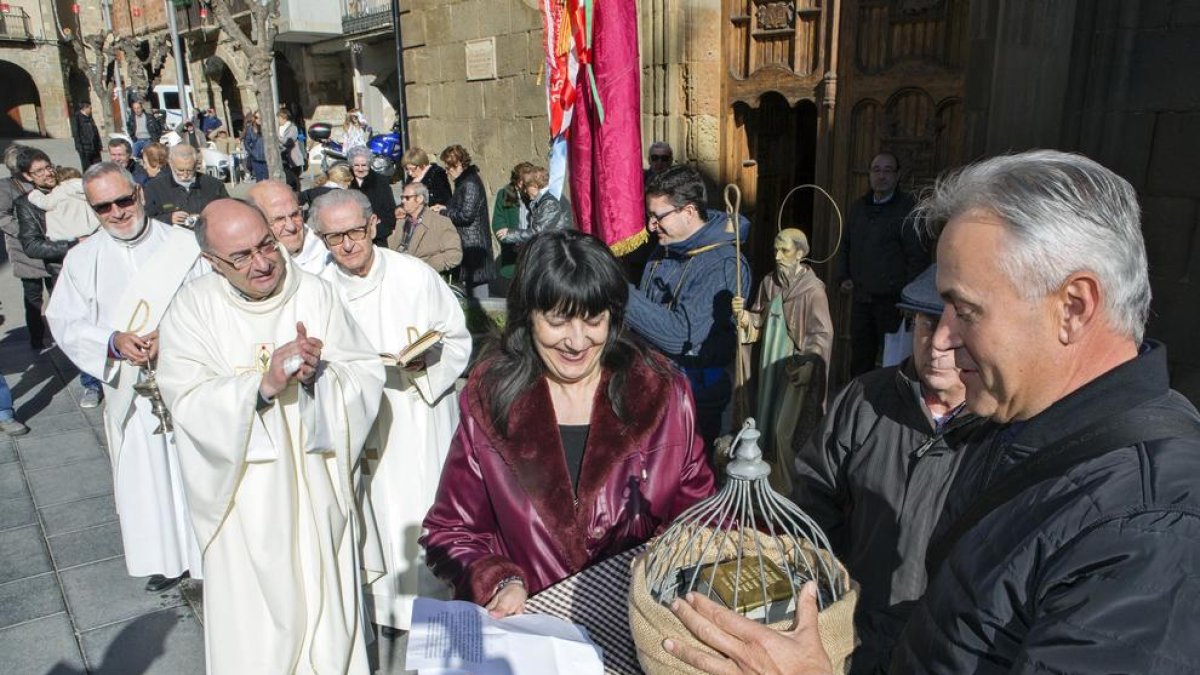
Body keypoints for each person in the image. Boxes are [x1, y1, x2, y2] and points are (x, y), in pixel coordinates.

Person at [668, 150, 1200, 674]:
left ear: (1073, 307)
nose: (940, 338)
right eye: (936, 312)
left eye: (965, 311)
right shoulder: (1018, 428)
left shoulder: (1153, 532)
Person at [422, 229, 716, 617]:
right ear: (528, 315)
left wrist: (657, 562)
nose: (577, 342)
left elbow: (701, 518)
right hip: (536, 631)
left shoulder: (664, 394)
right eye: (558, 320)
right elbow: (451, 531)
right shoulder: (489, 401)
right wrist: (498, 580)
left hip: (639, 625)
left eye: (594, 319)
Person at [155, 198, 386, 674]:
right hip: (245, 497)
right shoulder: (191, 310)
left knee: (326, 617)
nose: (262, 263)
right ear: (211, 263)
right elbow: (186, 400)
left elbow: (364, 373)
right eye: (241, 256)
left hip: (316, 486)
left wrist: (320, 376)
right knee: (258, 627)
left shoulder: (316, 294)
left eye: (267, 245)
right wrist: (260, 387)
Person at [791, 263, 995, 674]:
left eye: (953, 328)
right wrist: (831, 587)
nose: (936, 344)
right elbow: (813, 499)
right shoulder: (866, 398)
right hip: (853, 631)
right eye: (925, 323)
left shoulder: (1002, 427)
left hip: (947, 651)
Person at [313, 189, 470, 629]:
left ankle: (435, 604)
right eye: (334, 237)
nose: (348, 244)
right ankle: (381, 607)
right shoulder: (315, 288)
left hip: (415, 409)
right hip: (355, 421)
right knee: (371, 510)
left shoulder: (414, 275)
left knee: (420, 505)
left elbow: (457, 339)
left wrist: (426, 362)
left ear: (374, 226)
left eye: (356, 232)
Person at [46, 161, 205, 593]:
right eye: (103, 207)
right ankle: (167, 557)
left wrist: (169, 337)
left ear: (138, 192)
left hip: (188, 376)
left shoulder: (184, 245)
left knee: (198, 471)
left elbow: (212, 302)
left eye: (122, 200)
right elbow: (63, 319)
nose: (116, 213)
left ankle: (209, 554)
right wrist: (113, 341)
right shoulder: (82, 259)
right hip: (130, 389)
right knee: (148, 478)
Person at [626, 164, 750, 448]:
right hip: (653, 385)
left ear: (689, 211)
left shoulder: (724, 263)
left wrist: (622, 296)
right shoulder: (667, 246)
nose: (650, 226)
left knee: (688, 485)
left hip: (694, 396)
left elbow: (682, 335)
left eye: (658, 217)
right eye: (649, 216)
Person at [732, 228, 832, 493]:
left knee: (783, 432)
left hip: (793, 370)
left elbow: (822, 334)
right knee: (762, 427)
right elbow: (757, 321)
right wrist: (744, 319)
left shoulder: (813, 291)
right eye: (775, 249)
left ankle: (789, 493)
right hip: (767, 370)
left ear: (800, 254)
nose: (777, 256)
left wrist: (811, 364)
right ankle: (764, 489)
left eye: (784, 250)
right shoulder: (769, 283)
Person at [15, 150, 103, 413]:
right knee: (80, 328)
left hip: (98, 262)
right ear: (27, 176)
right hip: (62, 271)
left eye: (48, 167)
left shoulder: (72, 187)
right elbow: (31, 245)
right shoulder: (28, 203)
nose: (47, 173)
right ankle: (91, 382)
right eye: (39, 171)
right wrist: (72, 245)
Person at [837, 152, 928, 376]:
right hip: (861, 299)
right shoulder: (858, 208)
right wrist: (844, 277)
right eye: (876, 170)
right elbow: (846, 245)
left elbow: (917, 257)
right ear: (869, 175)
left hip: (893, 303)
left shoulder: (908, 210)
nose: (881, 176)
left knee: (893, 361)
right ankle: (857, 404)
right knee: (860, 357)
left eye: (888, 170)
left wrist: (910, 301)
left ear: (897, 176)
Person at [0, 145, 54, 350]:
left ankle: (61, 333)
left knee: (57, 293)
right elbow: (2, 217)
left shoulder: (43, 183)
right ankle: (37, 338)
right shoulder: (6, 187)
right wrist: (25, 231)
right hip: (25, 252)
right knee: (33, 297)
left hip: (48, 247)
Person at [432, 144, 494, 298]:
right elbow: (461, 207)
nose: (447, 172)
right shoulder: (464, 182)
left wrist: (443, 211)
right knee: (471, 293)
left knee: (479, 296)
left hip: (474, 245)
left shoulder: (470, 183)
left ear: (459, 164)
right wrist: (445, 207)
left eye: (449, 167)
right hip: (468, 243)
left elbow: (466, 215)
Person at [247, 179, 330, 275]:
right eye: (279, 219)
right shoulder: (245, 263)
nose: (291, 227)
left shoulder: (326, 252)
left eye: (295, 214)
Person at [142, 144, 229, 225]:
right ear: (171, 164)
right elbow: (146, 219)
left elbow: (229, 211)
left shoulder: (214, 185)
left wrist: (206, 217)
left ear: (196, 165)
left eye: (189, 170)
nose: (185, 174)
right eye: (180, 170)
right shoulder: (154, 188)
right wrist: (169, 218)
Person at [393, 182, 462, 274]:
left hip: (425, 278)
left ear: (420, 199)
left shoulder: (441, 222)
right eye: (402, 198)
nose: (403, 201)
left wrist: (425, 266)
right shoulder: (401, 223)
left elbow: (454, 255)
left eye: (407, 198)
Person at [496, 165, 572, 246]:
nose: (524, 191)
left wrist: (509, 234)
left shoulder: (550, 202)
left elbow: (539, 232)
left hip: (558, 248)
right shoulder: (544, 199)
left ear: (534, 186)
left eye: (526, 187)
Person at [491, 161, 535, 294]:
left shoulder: (537, 195)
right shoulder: (505, 194)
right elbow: (498, 222)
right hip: (512, 254)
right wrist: (509, 237)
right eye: (521, 182)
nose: (523, 186)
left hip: (533, 254)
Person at [27, 166, 100, 242]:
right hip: (92, 230)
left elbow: (46, 203)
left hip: (67, 235)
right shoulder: (86, 187)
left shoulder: (61, 189)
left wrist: (34, 195)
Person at [347, 146, 397, 248]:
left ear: (369, 165)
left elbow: (390, 213)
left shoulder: (381, 182)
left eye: (364, 165)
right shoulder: (346, 181)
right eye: (356, 165)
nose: (360, 169)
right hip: (351, 238)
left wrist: (374, 232)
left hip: (376, 239)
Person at [277, 108, 303, 190]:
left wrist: (277, 138)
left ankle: (297, 196)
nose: (278, 120)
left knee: (294, 180)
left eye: (279, 118)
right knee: (287, 180)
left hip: (293, 159)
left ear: (284, 117)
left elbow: (288, 141)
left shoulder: (293, 128)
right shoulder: (279, 129)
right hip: (283, 158)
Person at [73, 102, 103, 169]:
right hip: (85, 147)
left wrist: (99, 144)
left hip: (94, 147)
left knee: (98, 166)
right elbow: (76, 134)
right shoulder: (77, 118)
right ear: (85, 108)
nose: (91, 110)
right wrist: (79, 147)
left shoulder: (90, 117)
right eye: (90, 108)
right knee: (87, 167)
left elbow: (96, 131)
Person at [241, 110, 268, 181]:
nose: (258, 119)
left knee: (268, 179)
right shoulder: (250, 129)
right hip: (256, 159)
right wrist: (252, 153)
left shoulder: (267, 128)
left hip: (267, 158)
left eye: (260, 117)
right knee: (259, 180)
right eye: (256, 117)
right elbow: (246, 143)